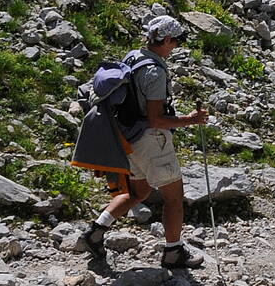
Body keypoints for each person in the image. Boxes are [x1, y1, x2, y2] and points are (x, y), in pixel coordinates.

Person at [86, 15, 213, 268]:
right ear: (166, 39)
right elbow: (156, 119)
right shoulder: (154, 71)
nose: (175, 47)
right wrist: (190, 120)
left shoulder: (133, 57)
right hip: (150, 140)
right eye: (175, 42)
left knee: (139, 191)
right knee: (174, 197)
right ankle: (173, 251)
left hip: (128, 138)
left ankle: (96, 230)